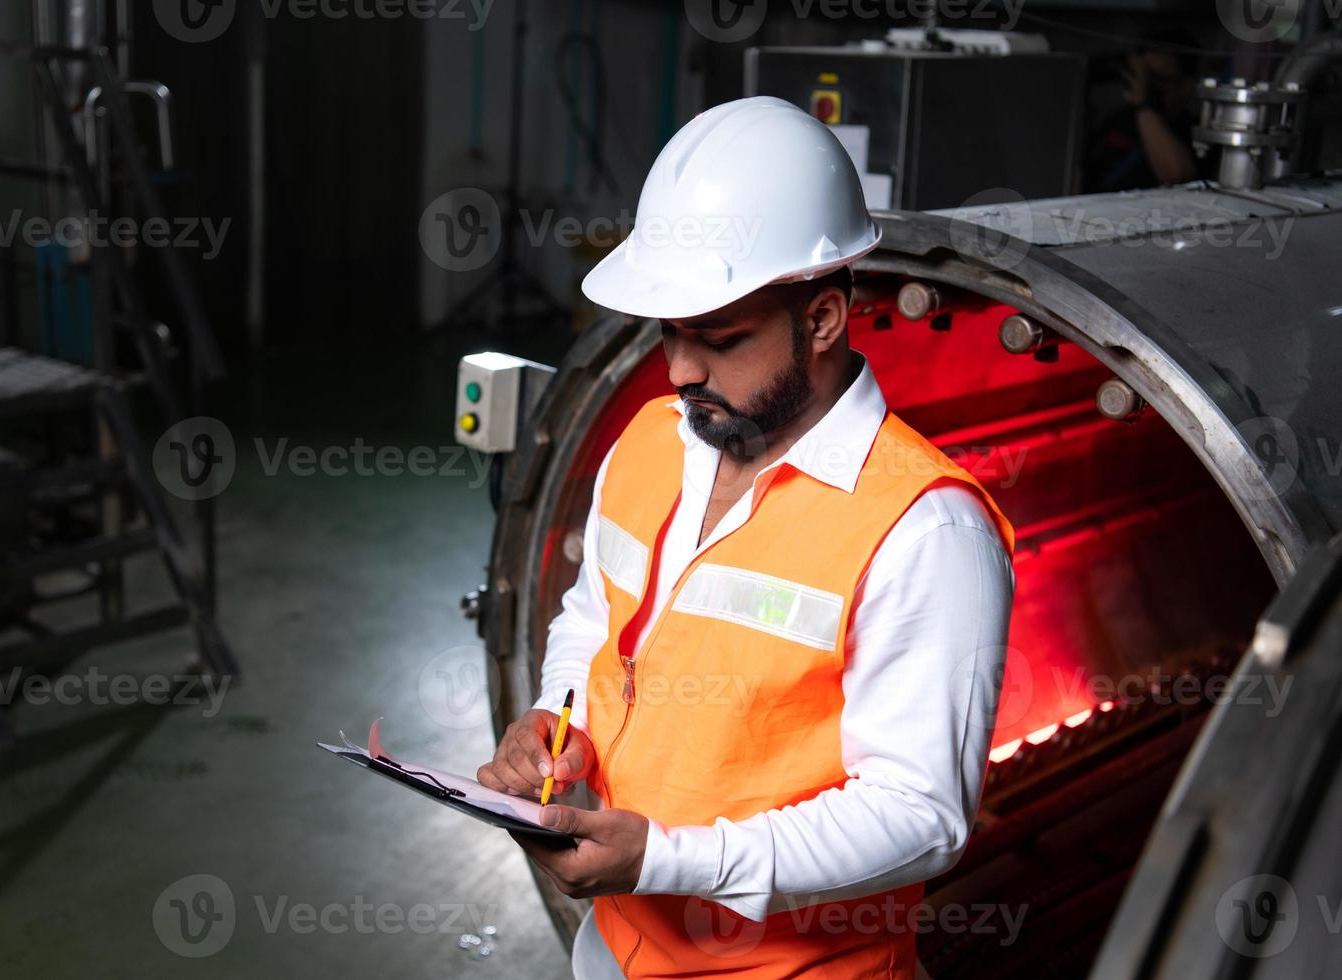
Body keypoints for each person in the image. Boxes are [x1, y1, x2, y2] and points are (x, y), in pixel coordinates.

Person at [478, 96, 1016, 979]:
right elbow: (592, 621)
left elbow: (921, 815)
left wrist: (666, 858)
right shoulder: (651, 438)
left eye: (720, 339)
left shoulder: (925, 530)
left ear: (824, 320)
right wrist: (556, 720)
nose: (682, 371)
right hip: (616, 946)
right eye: (671, 336)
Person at [1086, 33, 1204, 191]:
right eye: (1146, 77)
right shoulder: (1116, 121)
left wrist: (1144, 104)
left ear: (1187, 86)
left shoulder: (1196, 133)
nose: (1149, 86)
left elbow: (1175, 176)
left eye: (1160, 79)